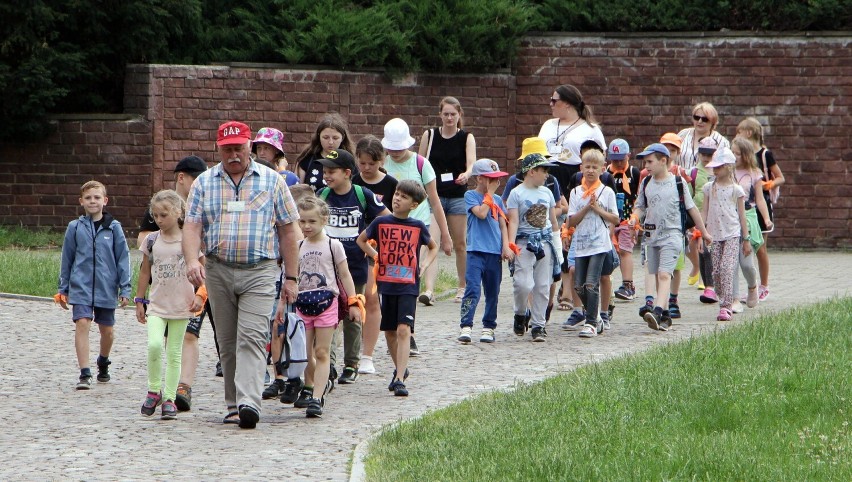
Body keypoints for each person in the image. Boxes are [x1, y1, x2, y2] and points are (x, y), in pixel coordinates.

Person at [183, 121, 300, 429]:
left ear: (250, 146)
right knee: (228, 340)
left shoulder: (272, 181)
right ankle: (234, 404)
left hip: (260, 270)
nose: (233, 154)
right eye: (227, 149)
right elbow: (192, 225)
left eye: (239, 148)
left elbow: (289, 231)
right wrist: (192, 261)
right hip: (218, 269)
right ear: (218, 148)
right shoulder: (204, 183)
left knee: (252, 336)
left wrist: (291, 277)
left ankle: (249, 401)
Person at [137, 155, 212, 412]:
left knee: (176, 350)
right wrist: (139, 299)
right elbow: (145, 270)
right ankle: (153, 389)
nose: (158, 219)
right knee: (156, 344)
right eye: (155, 215)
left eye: (163, 215)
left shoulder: (190, 237)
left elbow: (205, 266)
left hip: (184, 301)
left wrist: (201, 293)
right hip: (158, 302)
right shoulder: (152, 237)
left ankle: (170, 396)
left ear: (178, 213)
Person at [357, 180, 439, 397]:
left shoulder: (417, 226)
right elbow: (361, 240)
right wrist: (376, 256)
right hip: (386, 284)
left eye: (403, 196)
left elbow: (433, 247)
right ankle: (400, 369)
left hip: (408, 286)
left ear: (414, 205)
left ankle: (400, 379)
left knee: (404, 329)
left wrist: (424, 264)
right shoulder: (380, 222)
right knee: (391, 332)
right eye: (396, 194)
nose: (397, 198)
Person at [316, 148, 389, 385]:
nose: (327, 175)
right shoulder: (322, 194)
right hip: (326, 266)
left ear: (347, 173)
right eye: (325, 170)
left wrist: (375, 245)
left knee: (353, 314)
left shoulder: (362, 194)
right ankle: (330, 364)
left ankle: (352, 363)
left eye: (332, 171)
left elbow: (385, 218)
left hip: (355, 265)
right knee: (329, 316)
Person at [284, 196, 362, 417]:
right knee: (305, 353)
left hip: (327, 302)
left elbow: (345, 275)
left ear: (324, 220)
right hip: (302, 305)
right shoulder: (297, 246)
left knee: (322, 351)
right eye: (302, 222)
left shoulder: (333, 245)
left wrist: (353, 301)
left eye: (312, 222)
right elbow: (291, 276)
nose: (307, 226)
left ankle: (317, 398)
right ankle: (314, 385)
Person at [382, 118, 453, 356]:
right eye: (391, 148)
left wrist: (445, 234)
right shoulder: (382, 163)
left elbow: (435, 201)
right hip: (389, 229)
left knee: (409, 282)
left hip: (416, 229)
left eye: (399, 148)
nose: (395, 152)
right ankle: (392, 328)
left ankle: (408, 331)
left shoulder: (421, 164)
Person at [56, 180, 131, 389]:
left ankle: (103, 360)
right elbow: (67, 258)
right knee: (82, 323)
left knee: (107, 331)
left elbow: (122, 258)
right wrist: (63, 288)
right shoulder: (75, 227)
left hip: (106, 287)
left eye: (97, 197)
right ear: (81, 201)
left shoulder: (114, 228)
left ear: (105, 200)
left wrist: (125, 287)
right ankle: (84, 372)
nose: (92, 201)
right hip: (80, 286)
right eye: (88, 198)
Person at [631, 144, 711, 332]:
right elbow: (640, 206)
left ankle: (657, 311)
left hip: (673, 235)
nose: (646, 166)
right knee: (656, 274)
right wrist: (634, 218)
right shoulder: (646, 182)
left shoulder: (677, 182)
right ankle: (665, 315)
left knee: (665, 274)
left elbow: (692, 209)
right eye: (645, 162)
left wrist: (704, 232)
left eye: (650, 162)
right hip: (652, 236)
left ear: (663, 161)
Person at [418, 96, 477, 303]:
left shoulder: (466, 137)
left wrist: (467, 175)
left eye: (453, 114)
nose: (449, 118)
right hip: (434, 195)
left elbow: (471, 164)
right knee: (431, 241)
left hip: (457, 195)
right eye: (446, 114)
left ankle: (462, 286)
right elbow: (420, 162)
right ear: (440, 115)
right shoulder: (430, 135)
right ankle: (429, 290)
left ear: (459, 115)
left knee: (460, 243)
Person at [263, 183, 312, 404]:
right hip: (277, 283)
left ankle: (298, 378)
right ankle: (279, 376)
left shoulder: (307, 236)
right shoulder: (277, 228)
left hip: (302, 289)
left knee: (298, 333)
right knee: (277, 327)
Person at [353, 135, 398, 374]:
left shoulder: (390, 183)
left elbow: (394, 216)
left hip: (376, 248)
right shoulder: (350, 182)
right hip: (351, 247)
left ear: (381, 160)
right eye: (363, 163)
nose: (367, 168)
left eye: (372, 163)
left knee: (371, 299)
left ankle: (367, 355)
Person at [506, 153, 563, 342]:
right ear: (532, 171)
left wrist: (557, 244)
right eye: (544, 170)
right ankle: (520, 312)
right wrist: (511, 245)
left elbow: (553, 222)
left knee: (542, 285)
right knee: (523, 283)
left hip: (544, 242)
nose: (547, 175)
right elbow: (513, 221)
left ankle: (539, 325)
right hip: (524, 242)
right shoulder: (516, 193)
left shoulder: (547, 193)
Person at [457, 159, 511, 344]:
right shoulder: (471, 196)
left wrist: (506, 246)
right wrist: (490, 194)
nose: (496, 182)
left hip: (494, 253)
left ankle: (489, 326)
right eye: (491, 178)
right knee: (472, 288)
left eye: (497, 178)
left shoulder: (497, 199)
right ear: (480, 178)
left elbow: (503, 224)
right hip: (475, 251)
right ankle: (466, 325)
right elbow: (480, 213)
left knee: (493, 291)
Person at [567, 149, 619, 338]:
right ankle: (595, 315)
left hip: (599, 244)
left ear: (602, 169)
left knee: (591, 283)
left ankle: (590, 323)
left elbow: (615, 218)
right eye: (587, 167)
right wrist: (587, 208)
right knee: (579, 285)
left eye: (594, 167)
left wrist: (597, 208)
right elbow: (571, 221)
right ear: (581, 168)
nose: (590, 170)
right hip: (581, 244)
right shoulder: (575, 192)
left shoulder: (607, 192)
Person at [736, 117, 785, 302]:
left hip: (760, 204)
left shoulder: (765, 154)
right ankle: (751, 286)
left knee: (760, 247)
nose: (737, 136)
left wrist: (769, 184)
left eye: (739, 132)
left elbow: (780, 177)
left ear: (748, 133)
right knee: (744, 248)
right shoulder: (738, 157)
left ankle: (764, 285)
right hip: (744, 206)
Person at [700, 147, 750, 321]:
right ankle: (722, 297)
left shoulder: (736, 190)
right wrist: (702, 233)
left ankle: (726, 306)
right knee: (716, 272)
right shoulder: (708, 188)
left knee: (727, 268)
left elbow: (742, 216)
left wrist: (746, 239)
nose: (715, 169)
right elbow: (704, 211)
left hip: (732, 234)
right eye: (714, 166)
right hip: (714, 235)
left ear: (728, 167)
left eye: (719, 166)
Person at [731, 137, 774, 311]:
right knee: (731, 260)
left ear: (746, 155)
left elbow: (759, 199)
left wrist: (766, 218)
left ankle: (752, 286)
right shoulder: (726, 170)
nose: (734, 157)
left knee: (747, 262)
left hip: (748, 218)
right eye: (732, 153)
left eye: (738, 154)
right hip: (729, 219)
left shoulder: (754, 173)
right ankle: (733, 298)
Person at [608, 139, 641, 302]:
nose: (618, 162)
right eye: (615, 159)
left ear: (628, 156)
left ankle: (628, 285)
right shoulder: (606, 173)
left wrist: (636, 220)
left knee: (624, 250)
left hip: (627, 220)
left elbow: (639, 198)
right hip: (609, 219)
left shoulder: (634, 173)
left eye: (621, 159)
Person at [295, 113, 355, 193]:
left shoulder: (349, 161)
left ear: (342, 137)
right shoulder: (306, 160)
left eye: (335, 138)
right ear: (319, 136)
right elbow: (296, 191)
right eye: (326, 137)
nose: (330, 142)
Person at [677, 102, 730, 171]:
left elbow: (725, 167)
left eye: (705, 119)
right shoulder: (683, 134)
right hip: (681, 180)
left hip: (706, 179)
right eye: (696, 117)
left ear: (713, 122)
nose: (699, 121)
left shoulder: (721, 141)